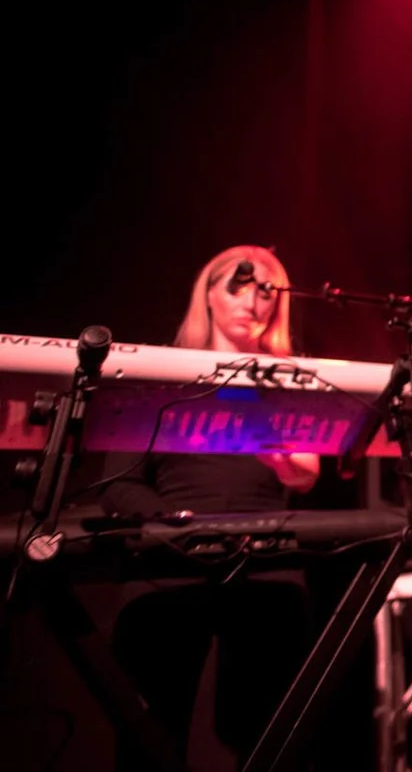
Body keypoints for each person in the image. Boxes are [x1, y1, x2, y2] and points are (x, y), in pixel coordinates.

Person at [100, 244, 319, 770]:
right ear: (208, 294)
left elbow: (307, 472)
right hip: (170, 563)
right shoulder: (160, 373)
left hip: (266, 562)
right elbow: (117, 485)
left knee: (269, 732)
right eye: (238, 285)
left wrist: (286, 465)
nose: (253, 301)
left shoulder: (291, 377)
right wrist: (176, 524)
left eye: (266, 291)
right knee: (152, 733)